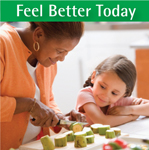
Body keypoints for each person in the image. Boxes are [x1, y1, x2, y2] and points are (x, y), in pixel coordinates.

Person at [0, 22, 86, 150]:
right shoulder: (3, 44)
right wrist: (29, 104)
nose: (62, 58)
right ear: (39, 34)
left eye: (66, 53)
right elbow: (34, 104)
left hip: (33, 145)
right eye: (60, 51)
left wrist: (59, 118)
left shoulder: (47, 59)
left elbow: (46, 98)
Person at [75, 55, 149, 127]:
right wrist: (131, 117)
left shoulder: (120, 100)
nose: (105, 95)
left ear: (124, 94)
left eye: (114, 93)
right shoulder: (85, 94)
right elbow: (102, 122)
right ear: (94, 76)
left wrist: (129, 110)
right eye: (102, 86)